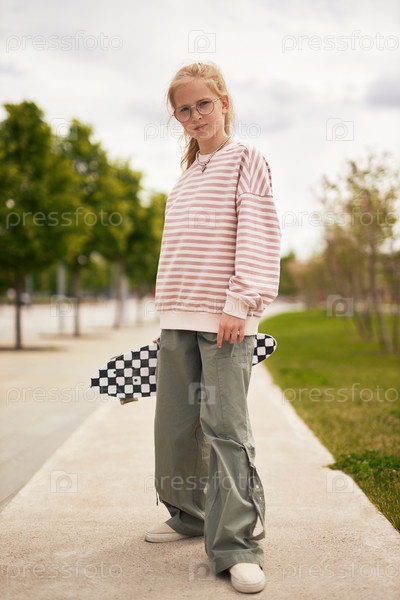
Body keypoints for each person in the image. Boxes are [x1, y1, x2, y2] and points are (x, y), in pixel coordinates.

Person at [145, 61, 281, 594]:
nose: (195, 115)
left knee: (225, 430)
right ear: (177, 118)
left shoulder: (247, 159)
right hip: (179, 319)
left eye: (203, 103)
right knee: (176, 428)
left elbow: (259, 234)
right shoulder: (184, 180)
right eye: (184, 109)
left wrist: (240, 303)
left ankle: (237, 545)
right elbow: (176, 252)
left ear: (223, 102)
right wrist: (167, 314)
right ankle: (189, 514)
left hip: (226, 318)